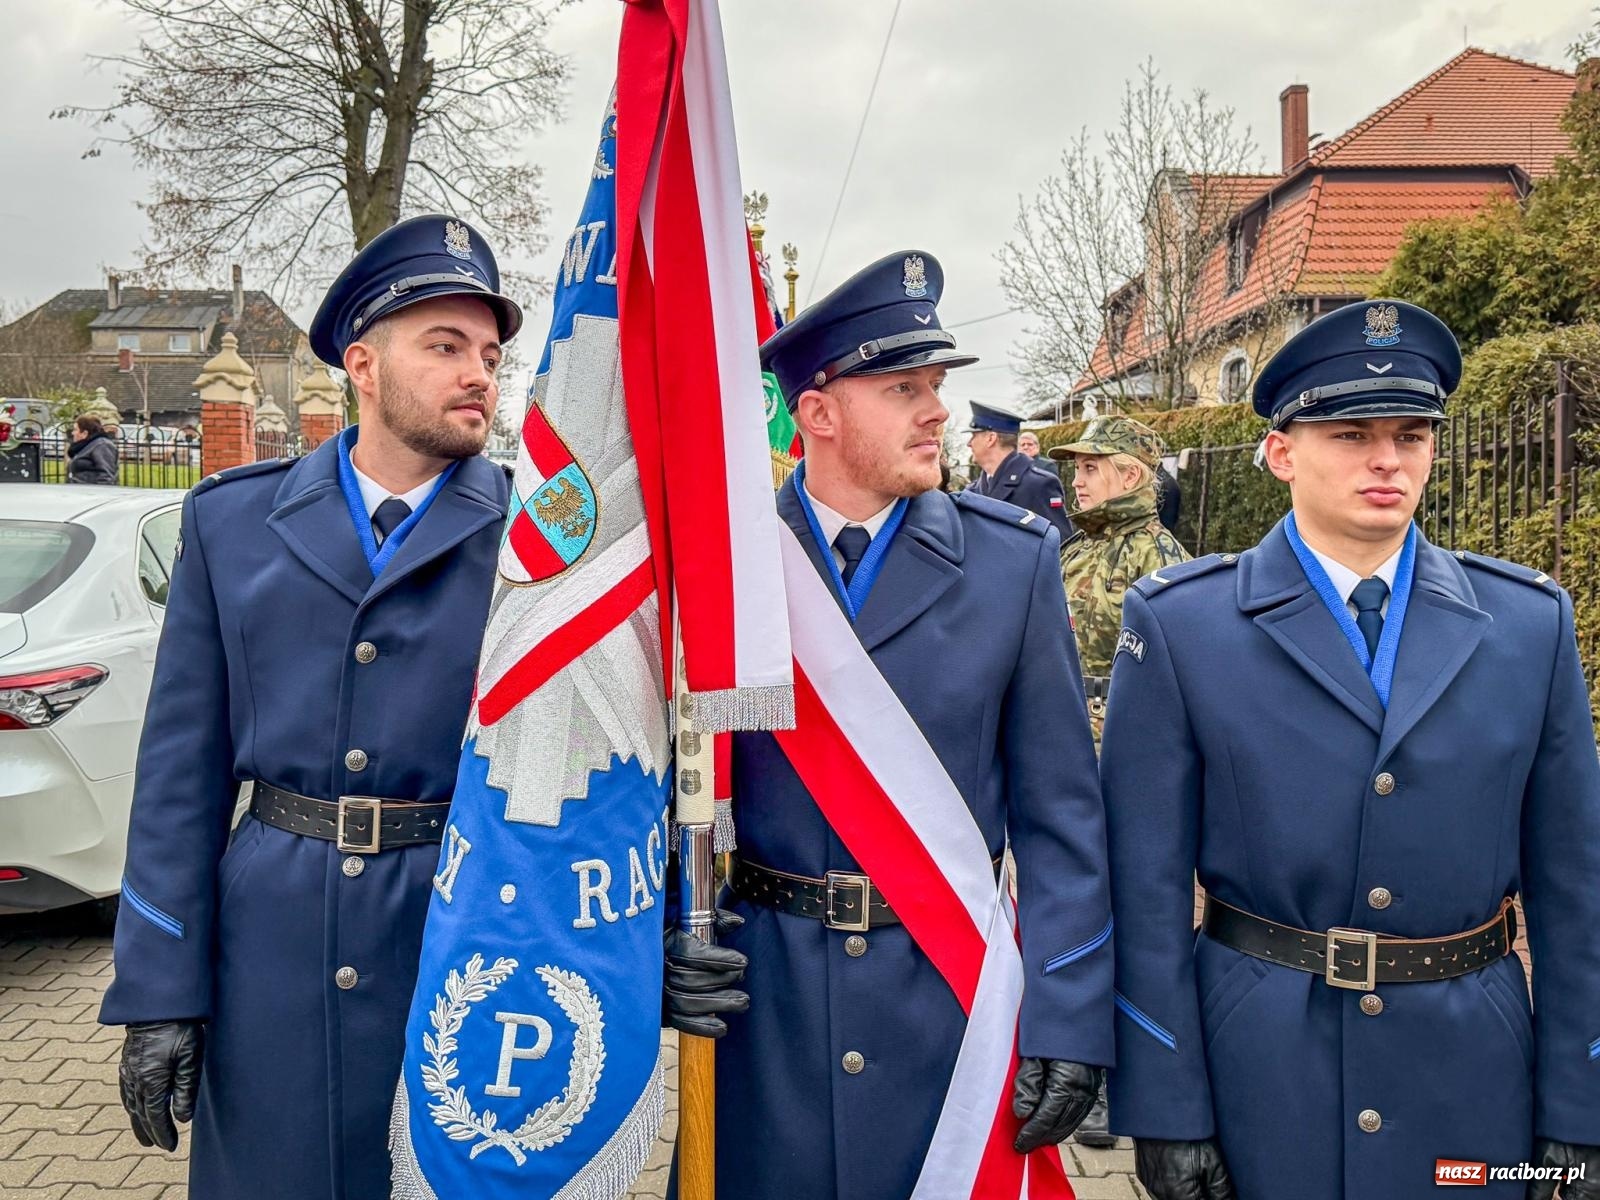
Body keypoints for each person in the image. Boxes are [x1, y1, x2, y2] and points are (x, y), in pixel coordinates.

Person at [1099, 300, 1600, 1200]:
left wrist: (1582, 1104)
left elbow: (1575, 887)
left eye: (1412, 435)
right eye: (1351, 434)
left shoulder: (1528, 625)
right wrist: (1166, 1106)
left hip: (1470, 1074)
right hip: (1261, 1065)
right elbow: (1142, 887)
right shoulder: (1184, 627)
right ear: (1280, 452)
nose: (1387, 460)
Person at [100, 215, 526, 1200]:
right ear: (362, 366)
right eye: (446, 346)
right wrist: (160, 986)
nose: (478, 375)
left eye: (490, 355)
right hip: (273, 949)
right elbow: (179, 774)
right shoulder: (233, 523)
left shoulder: (533, 542)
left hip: (461, 930)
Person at [713, 250, 1112, 1199]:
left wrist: (1069, 1013)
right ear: (818, 413)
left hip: (947, 1000)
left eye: (936, 385)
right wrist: (656, 945)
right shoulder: (726, 565)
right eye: (904, 389)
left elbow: (1062, 819)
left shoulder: (1011, 566)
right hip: (764, 1008)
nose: (938, 411)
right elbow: (661, 786)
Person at [1049, 414, 1190, 746]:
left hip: (1122, 739)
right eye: (1077, 469)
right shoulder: (1075, 548)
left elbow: (1178, 672)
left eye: (1090, 468)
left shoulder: (1158, 555)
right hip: (1061, 727)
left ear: (1130, 475)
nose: (1076, 482)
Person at [967, 401, 1073, 539]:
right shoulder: (973, 490)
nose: (969, 443)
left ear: (991, 438)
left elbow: (1060, 541)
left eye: (974, 436)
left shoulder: (1039, 485)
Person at [67, 414, 118, 483]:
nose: (72, 433)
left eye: (75, 430)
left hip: (91, 489)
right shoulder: (84, 446)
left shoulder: (102, 445)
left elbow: (106, 476)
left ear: (84, 433)